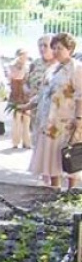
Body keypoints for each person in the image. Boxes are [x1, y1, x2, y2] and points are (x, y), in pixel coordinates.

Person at [25, 33, 82, 190]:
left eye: (60, 48)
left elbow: (80, 95)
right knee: (51, 154)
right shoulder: (52, 69)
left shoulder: (76, 68)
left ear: (69, 49)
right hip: (48, 120)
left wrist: (79, 117)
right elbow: (44, 92)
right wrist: (29, 105)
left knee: (67, 153)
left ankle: (72, 189)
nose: (56, 51)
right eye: (54, 48)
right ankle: (54, 187)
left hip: (66, 119)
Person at [8, 49, 32, 149]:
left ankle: (26, 141)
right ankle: (15, 141)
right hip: (16, 92)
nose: (23, 58)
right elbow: (14, 78)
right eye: (21, 55)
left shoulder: (29, 66)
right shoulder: (12, 66)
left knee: (27, 118)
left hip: (26, 94)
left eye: (25, 55)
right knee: (16, 118)